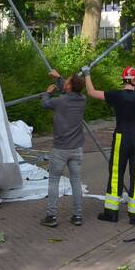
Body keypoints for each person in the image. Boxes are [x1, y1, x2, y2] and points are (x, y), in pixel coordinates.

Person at [84, 66, 135, 225]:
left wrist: (87, 74)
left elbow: (92, 92)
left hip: (121, 136)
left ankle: (111, 213)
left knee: (116, 173)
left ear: (123, 80)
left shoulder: (115, 95)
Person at [39, 69, 87, 227]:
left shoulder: (60, 101)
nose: (65, 81)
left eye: (67, 81)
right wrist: (58, 78)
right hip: (77, 148)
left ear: (69, 87)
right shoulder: (82, 99)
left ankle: (51, 216)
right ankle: (78, 215)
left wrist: (47, 93)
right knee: (76, 181)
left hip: (61, 149)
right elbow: (67, 90)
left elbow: (45, 104)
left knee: (53, 181)